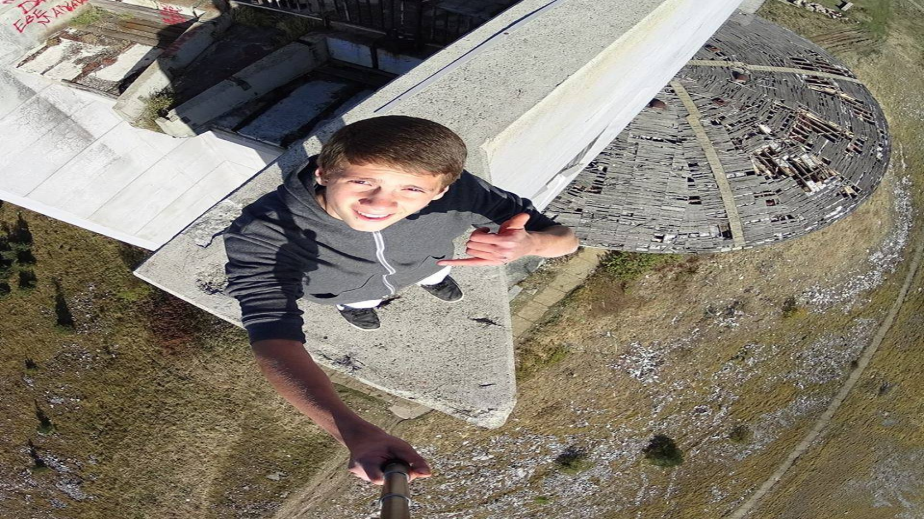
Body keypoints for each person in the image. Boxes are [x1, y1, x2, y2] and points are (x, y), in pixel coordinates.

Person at [224, 116, 578, 485]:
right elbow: (273, 339)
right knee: (358, 302)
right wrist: (350, 430)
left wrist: (530, 244)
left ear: (440, 191)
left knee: (435, 273)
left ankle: (433, 281)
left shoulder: (461, 193)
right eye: (363, 181)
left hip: (428, 264)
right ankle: (357, 308)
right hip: (345, 290)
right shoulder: (264, 233)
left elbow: (565, 239)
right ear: (324, 173)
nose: (380, 202)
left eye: (411, 189)